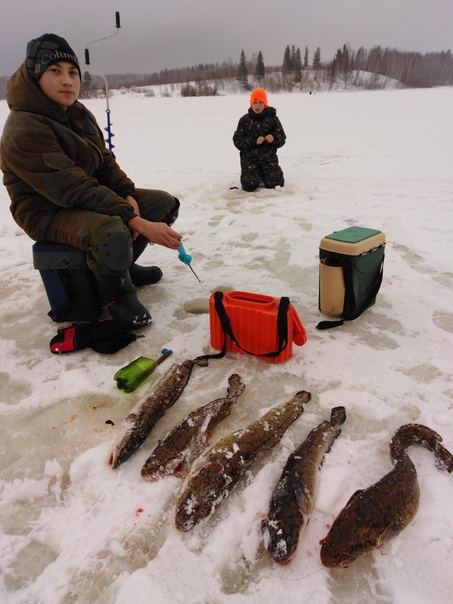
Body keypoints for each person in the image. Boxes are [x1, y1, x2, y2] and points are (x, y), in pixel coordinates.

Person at [0, 33, 182, 334]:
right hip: (45, 210)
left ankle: (122, 270)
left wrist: (125, 193)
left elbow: (104, 162)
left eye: (73, 72)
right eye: (54, 71)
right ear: (35, 77)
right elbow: (71, 187)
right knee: (109, 231)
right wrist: (131, 217)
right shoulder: (24, 129)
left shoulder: (78, 113)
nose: (67, 81)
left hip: (87, 198)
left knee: (163, 204)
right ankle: (118, 301)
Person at [233, 88, 286, 192]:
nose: (257, 106)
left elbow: (282, 138)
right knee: (249, 186)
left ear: (265, 103)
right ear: (251, 104)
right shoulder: (244, 120)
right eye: (255, 102)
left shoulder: (273, 119)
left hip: (268, 158)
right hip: (249, 158)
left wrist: (273, 138)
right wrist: (253, 141)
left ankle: (264, 173)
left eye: (260, 102)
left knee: (276, 184)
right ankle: (255, 173)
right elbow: (237, 141)